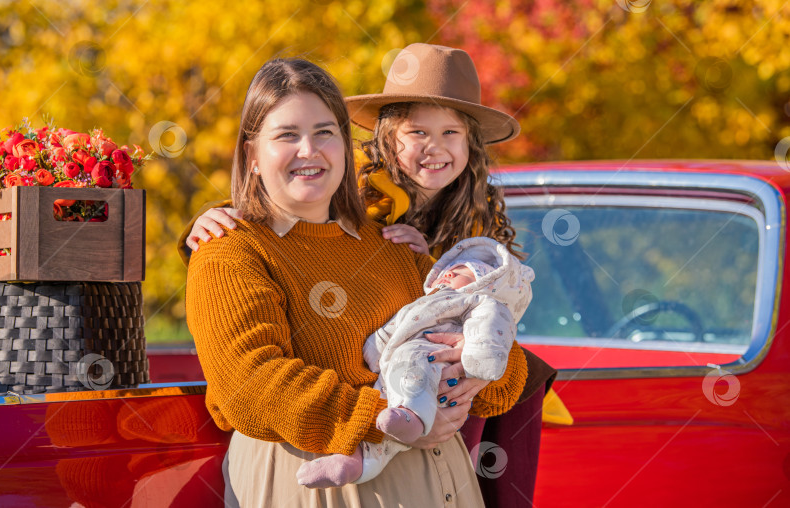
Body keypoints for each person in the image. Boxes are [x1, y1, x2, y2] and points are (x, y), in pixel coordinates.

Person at [182, 44, 568, 507]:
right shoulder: (232, 250)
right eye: (287, 135)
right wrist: (394, 417)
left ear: (345, 146)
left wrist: (478, 371)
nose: (309, 150)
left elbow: (496, 367)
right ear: (252, 154)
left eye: (324, 132)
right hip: (320, 488)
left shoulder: (392, 245)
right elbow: (252, 385)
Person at [297, 237, 534, 488]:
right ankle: (352, 463)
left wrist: (478, 359)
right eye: (449, 270)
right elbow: (399, 323)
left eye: (463, 273)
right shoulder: (423, 300)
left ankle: (412, 416)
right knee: (380, 405)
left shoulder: (481, 302)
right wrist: (376, 348)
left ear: (485, 284)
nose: (449, 273)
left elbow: (492, 327)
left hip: (431, 357)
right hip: (392, 369)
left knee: (415, 374)